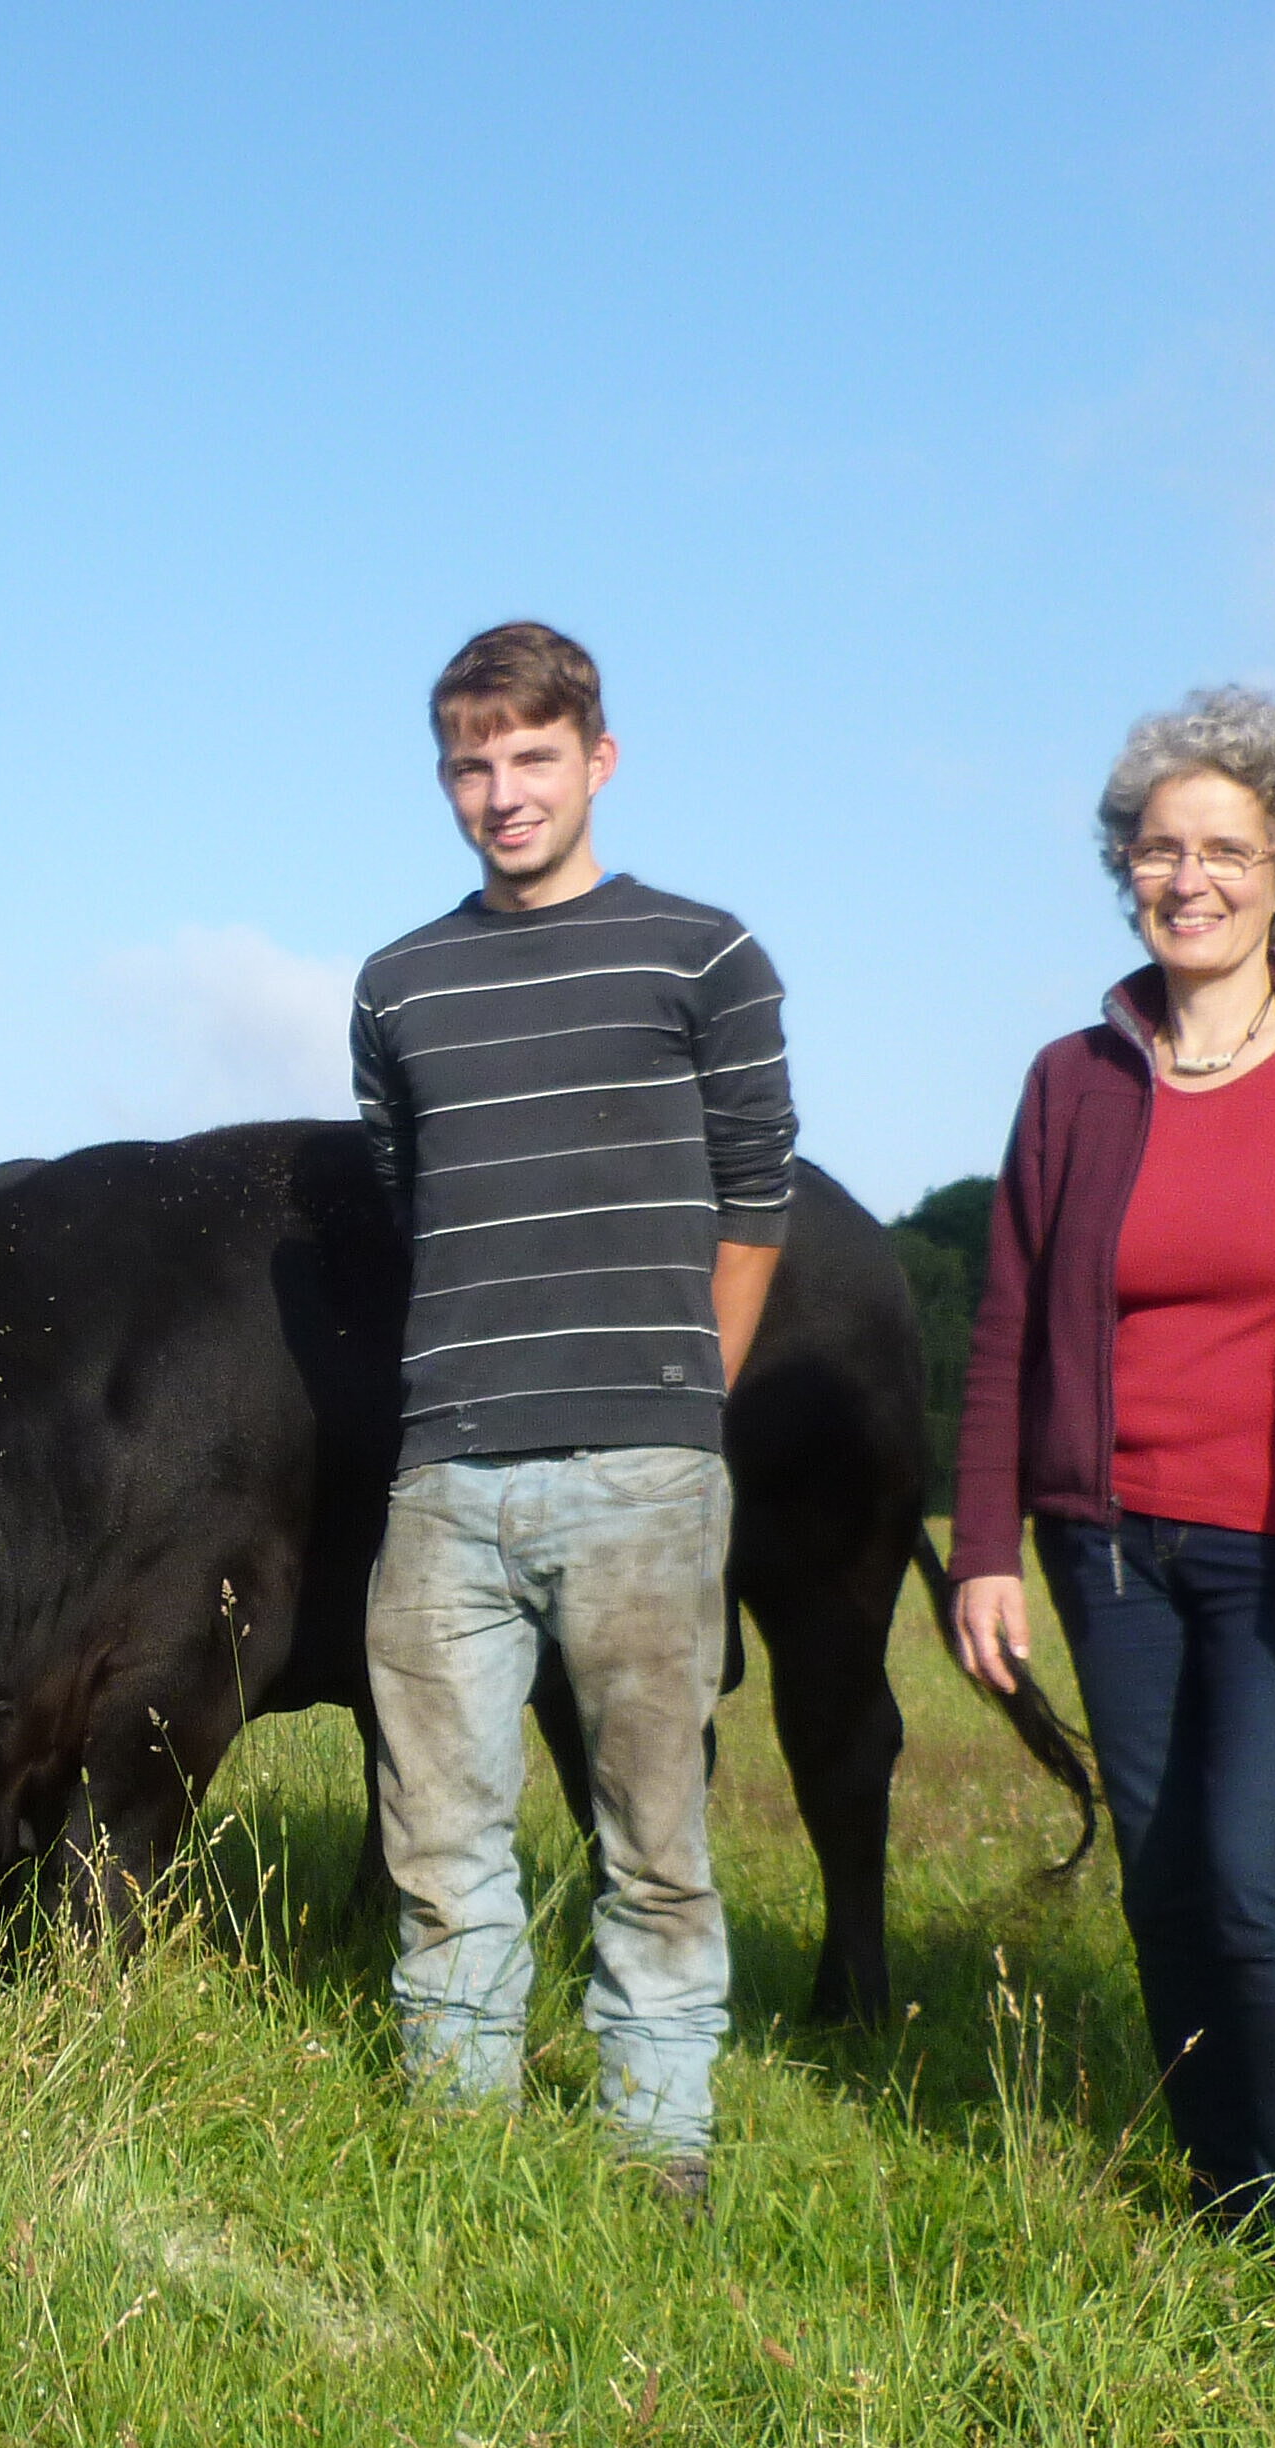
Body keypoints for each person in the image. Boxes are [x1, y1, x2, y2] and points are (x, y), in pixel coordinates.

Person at [945, 688, 1275, 2251]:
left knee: (1249, 1869)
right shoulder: (1074, 1077)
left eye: (1226, 849)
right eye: (1160, 848)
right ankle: (1227, 2185)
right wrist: (980, 1548)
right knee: (1163, 1882)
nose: (1190, 878)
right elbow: (1007, 1326)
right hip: (1110, 1549)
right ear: (1128, 867)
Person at [350, 621, 794, 2197]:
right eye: (471, 763)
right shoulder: (398, 987)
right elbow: (419, 1200)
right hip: (444, 1477)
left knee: (652, 1836)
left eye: (532, 756)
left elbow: (758, 1199)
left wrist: (689, 1405)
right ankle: (462, 2140)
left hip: (644, 1470)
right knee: (440, 1839)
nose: (501, 791)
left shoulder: (704, 955)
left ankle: (657, 2140)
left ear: (599, 760)